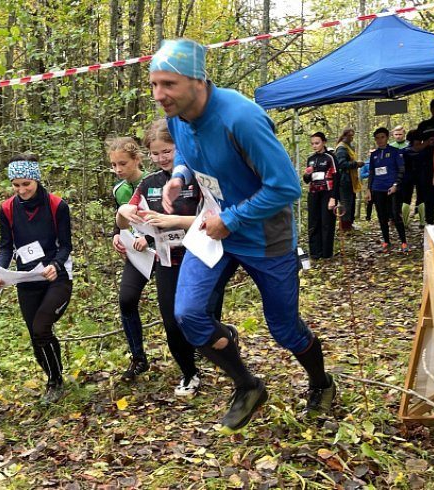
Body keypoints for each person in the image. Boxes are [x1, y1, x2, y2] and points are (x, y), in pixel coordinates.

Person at [150, 38, 335, 434]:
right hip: (215, 229)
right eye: (154, 84)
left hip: (265, 236)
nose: (159, 95)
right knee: (189, 316)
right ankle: (248, 386)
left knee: (284, 329)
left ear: (198, 80)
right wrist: (179, 176)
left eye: (168, 84)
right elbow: (185, 150)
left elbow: (286, 186)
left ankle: (321, 383)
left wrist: (232, 218)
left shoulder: (241, 118)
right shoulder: (177, 116)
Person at [115, 119, 203, 396]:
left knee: (199, 317)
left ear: (179, 147)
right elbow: (124, 218)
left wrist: (174, 220)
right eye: (155, 153)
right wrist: (124, 217)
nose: (161, 158)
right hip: (167, 260)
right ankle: (189, 373)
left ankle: (222, 340)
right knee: (171, 321)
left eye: (167, 151)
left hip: (199, 257)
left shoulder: (198, 177)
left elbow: (213, 219)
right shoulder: (149, 184)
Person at [0, 156, 73, 403]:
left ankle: (55, 383)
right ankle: (54, 375)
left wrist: (55, 265)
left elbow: (66, 245)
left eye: (26, 183)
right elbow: (6, 246)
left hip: (56, 277)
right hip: (26, 279)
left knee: (41, 327)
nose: (22, 190)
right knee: (36, 335)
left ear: (36, 179)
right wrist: (0, 271)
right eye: (16, 185)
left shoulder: (57, 205)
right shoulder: (7, 209)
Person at [109, 137, 151, 381]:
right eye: (114, 165)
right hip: (136, 254)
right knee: (126, 300)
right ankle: (138, 358)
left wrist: (150, 239)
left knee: (177, 306)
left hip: (162, 251)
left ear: (137, 159)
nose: (118, 170)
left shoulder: (153, 182)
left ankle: (198, 345)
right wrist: (117, 235)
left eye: (122, 164)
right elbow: (120, 221)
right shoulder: (119, 190)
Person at [366, 128, 408, 252]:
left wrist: (395, 185)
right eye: (377, 138)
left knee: (395, 214)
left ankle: (404, 242)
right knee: (381, 216)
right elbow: (371, 172)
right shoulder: (374, 155)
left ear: (387, 137)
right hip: (377, 188)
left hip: (392, 188)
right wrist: (369, 189)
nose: (380, 140)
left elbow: (401, 170)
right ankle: (386, 241)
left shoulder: (395, 152)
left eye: (382, 137)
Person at [303, 132, 338, 260]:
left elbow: (336, 178)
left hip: (327, 193)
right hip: (313, 193)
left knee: (326, 223)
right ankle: (315, 253)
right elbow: (307, 180)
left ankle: (326, 253)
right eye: (312, 144)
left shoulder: (330, 157)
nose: (314, 146)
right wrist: (307, 174)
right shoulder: (311, 159)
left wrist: (333, 198)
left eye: (317, 143)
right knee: (313, 222)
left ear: (324, 142)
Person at [401, 130, 434, 228]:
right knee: (421, 199)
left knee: (406, 199)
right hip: (422, 176)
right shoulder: (425, 151)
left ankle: (405, 223)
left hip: (407, 176)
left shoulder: (404, 151)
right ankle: (422, 222)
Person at [334, 128, 365, 232]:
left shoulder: (349, 147)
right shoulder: (341, 148)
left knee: (351, 202)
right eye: (349, 136)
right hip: (344, 179)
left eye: (353, 136)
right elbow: (341, 164)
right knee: (345, 202)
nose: (351, 138)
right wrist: (356, 164)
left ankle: (350, 223)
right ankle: (345, 226)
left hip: (351, 179)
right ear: (344, 136)